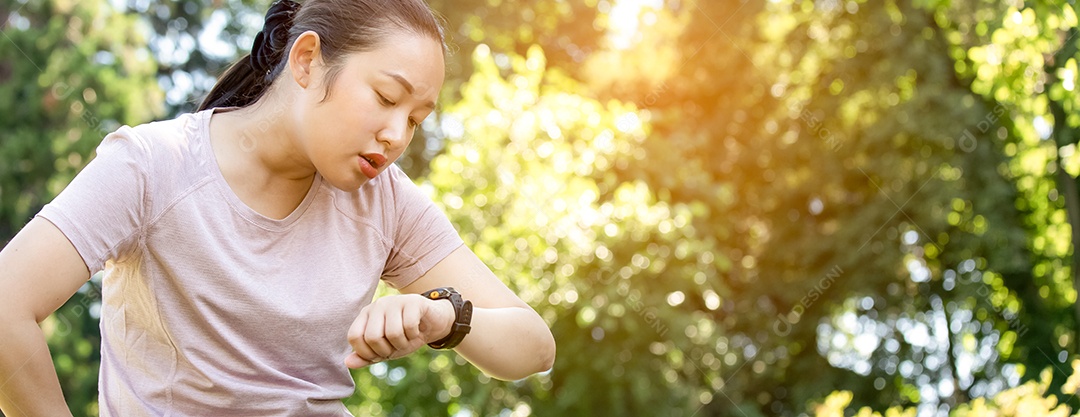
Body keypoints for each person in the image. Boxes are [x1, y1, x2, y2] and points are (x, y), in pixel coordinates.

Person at [0, 0, 556, 415]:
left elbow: (532, 346)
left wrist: (442, 315)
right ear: (308, 59)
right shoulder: (153, 166)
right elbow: (6, 304)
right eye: (387, 98)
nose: (396, 135)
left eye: (415, 119)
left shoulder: (384, 202)